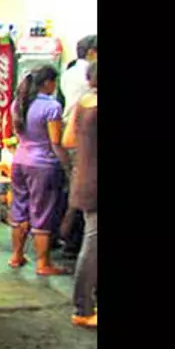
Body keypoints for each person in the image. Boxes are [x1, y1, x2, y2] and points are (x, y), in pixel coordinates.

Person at [8, 64, 71, 276]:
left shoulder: (18, 102)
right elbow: (55, 141)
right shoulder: (51, 106)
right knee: (42, 213)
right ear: (47, 82)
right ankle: (43, 263)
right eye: (54, 82)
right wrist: (67, 166)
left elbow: (18, 134)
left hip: (20, 160)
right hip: (43, 165)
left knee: (20, 208)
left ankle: (16, 256)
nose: (55, 86)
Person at [62, 61, 97, 328]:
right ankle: (83, 308)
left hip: (83, 178)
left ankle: (86, 304)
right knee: (93, 244)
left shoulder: (83, 102)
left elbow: (68, 141)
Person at [61, 35, 97, 123]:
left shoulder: (67, 73)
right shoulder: (92, 73)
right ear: (91, 53)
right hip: (87, 125)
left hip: (69, 122)